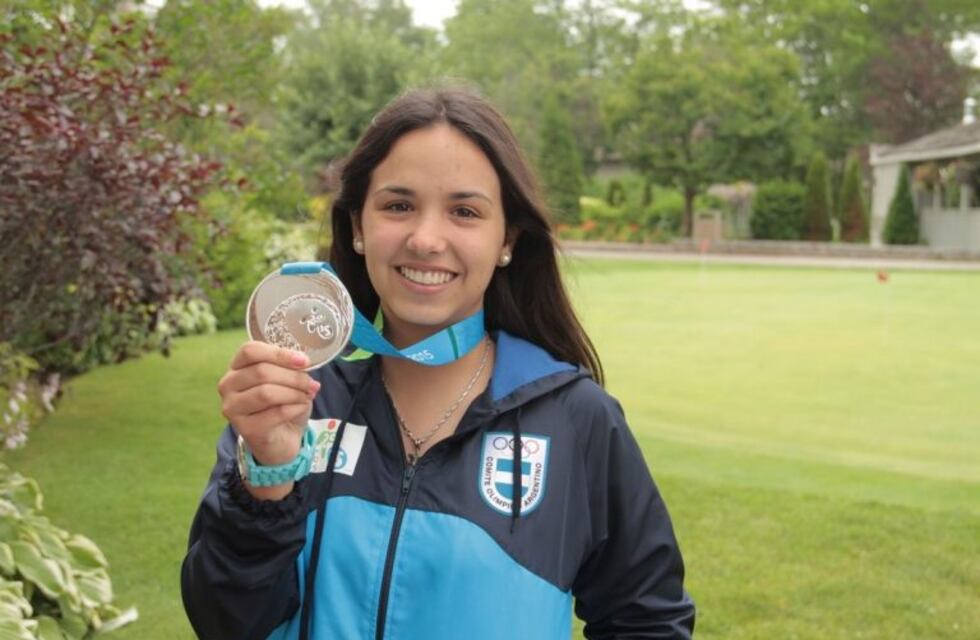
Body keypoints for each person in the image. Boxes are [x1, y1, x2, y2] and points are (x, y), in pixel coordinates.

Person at [181, 86, 695, 640]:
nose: (426, 239)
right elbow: (225, 623)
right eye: (398, 206)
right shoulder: (297, 402)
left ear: (508, 240)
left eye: (465, 212)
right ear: (357, 226)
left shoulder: (576, 420)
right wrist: (269, 478)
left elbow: (647, 621)